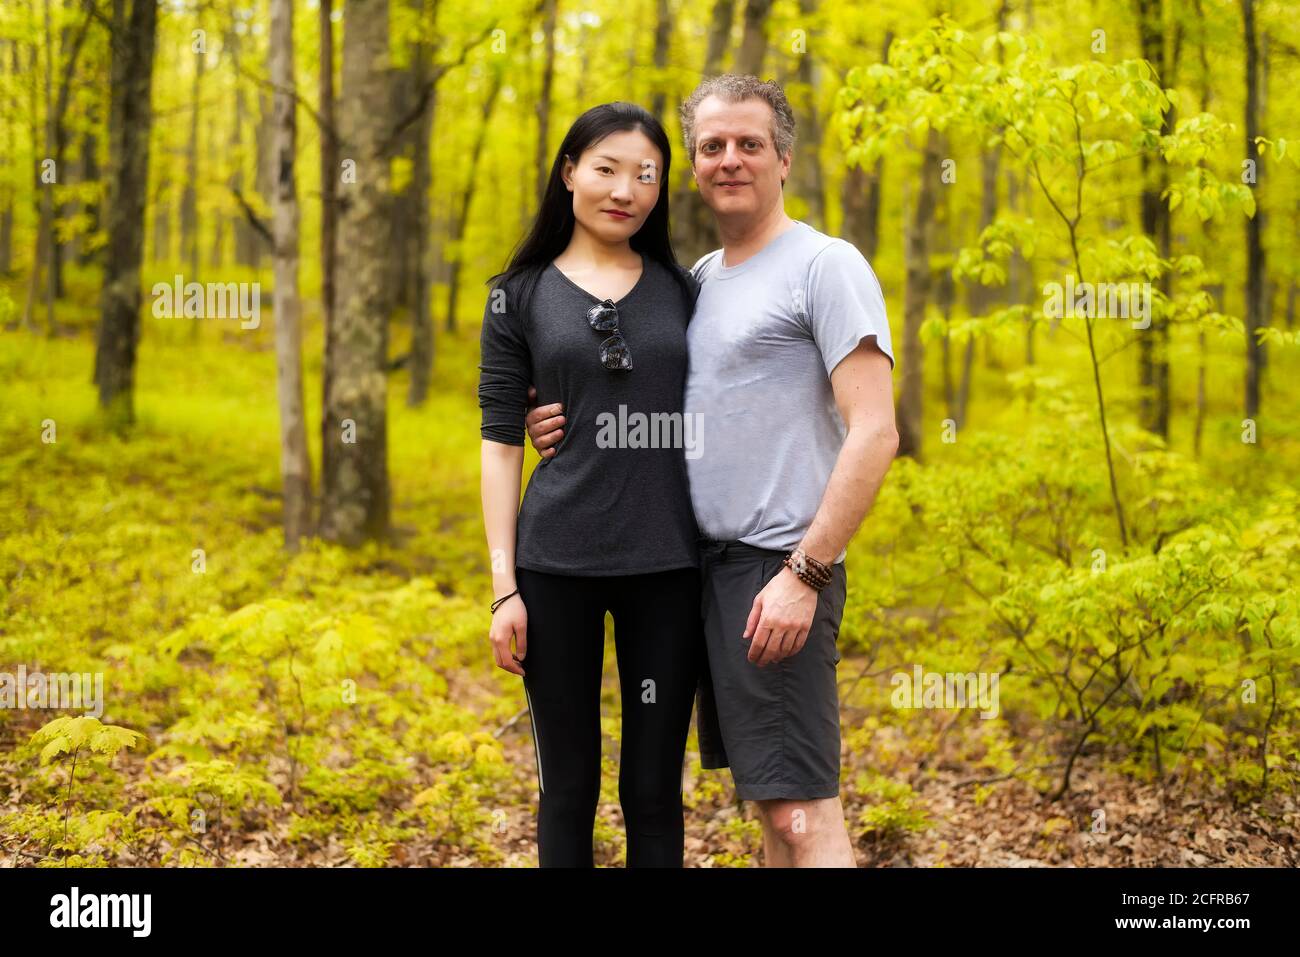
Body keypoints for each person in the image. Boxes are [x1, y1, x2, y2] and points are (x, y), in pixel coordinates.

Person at [526, 75, 899, 867]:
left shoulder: (824, 266)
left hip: (780, 565)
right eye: (711, 147)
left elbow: (875, 431)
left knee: (803, 808)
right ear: (695, 166)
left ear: (785, 158)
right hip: (705, 570)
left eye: (750, 144)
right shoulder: (699, 280)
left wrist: (806, 571)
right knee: (772, 807)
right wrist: (557, 417)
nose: (730, 160)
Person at [477, 102, 703, 867]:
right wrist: (504, 586)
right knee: (566, 787)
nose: (625, 188)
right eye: (606, 167)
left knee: (651, 789)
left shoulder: (685, 289)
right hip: (555, 564)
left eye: (646, 174)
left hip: (669, 565)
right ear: (569, 171)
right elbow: (502, 442)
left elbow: (727, 406)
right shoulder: (518, 293)